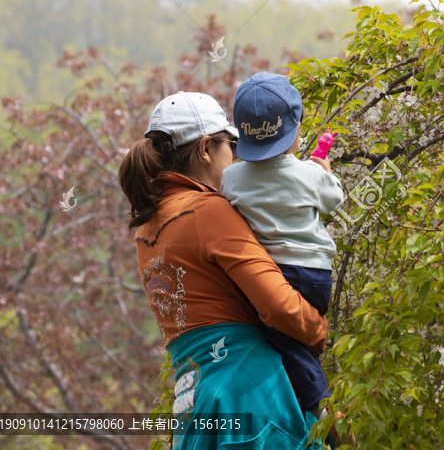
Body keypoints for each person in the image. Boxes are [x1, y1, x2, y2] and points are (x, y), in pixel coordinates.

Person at [118, 90, 329, 449]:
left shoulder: (146, 230)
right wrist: (319, 331)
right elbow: (279, 306)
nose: (236, 155)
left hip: (197, 402)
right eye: (230, 144)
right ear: (205, 150)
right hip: (251, 393)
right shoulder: (207, 211)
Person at [219, 73, 344, 422]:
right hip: (315, 274)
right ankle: (320, 415)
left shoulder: (231, 177)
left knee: (286, 345)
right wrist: (325, 171)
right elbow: (334, 200)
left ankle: (316, 411)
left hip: (268, 276)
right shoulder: (309, 174)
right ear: (296, 129)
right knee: (296, 345)